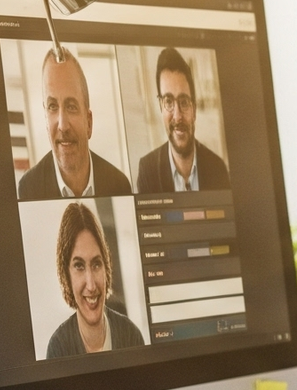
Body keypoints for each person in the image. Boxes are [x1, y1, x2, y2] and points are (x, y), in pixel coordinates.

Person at [17, 47, 135, 199]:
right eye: (52, 107)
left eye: (71, 107)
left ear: (89, 122)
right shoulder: (29, 190)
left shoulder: (119, 185)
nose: (62, 125)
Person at [43, 202, 145, 357]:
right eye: (79, 266)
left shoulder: (131, 335)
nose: (91, 286)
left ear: (106, 267)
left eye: (96, 264)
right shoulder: (59, 348)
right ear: (66, 274)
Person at [134, 47, 231, 192]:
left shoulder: (218, 169)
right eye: (168, 101)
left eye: (184, 102)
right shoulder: (147, 171)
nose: (177, 115)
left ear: (195, 109)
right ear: (161, 107)